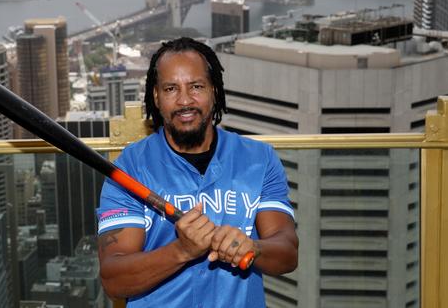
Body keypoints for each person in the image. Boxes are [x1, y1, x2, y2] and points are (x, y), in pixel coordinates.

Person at [96, 37, 298, 307]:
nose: (184, 100)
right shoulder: (129, 169)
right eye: (171, 89)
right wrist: (182, 250)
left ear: (214, 91)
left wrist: (254, 247)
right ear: (156, 97)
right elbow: (113, 280)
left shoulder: (259, 160)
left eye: (196, 87)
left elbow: (287, 253)